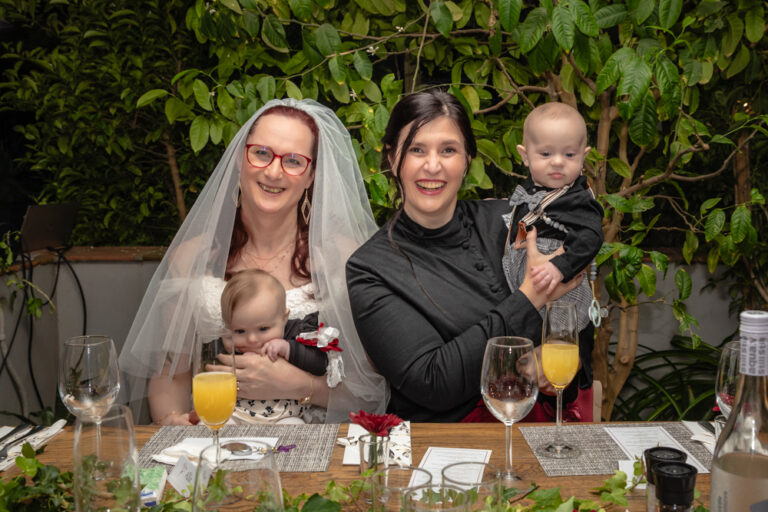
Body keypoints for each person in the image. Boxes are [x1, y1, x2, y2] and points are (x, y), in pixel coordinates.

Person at [119, 98, 388, 425]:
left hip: (312, 446)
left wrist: (299, 385)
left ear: (311, 176)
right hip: (215, 436)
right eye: (262, 153)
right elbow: (171, 376)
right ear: (239, 159)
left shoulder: (343, 259)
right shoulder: (192, 257)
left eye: (293, 161)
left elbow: (369, 393)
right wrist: (172, 423)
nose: (274, 172)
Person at [346, 90, 591, 422]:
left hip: (537, 435)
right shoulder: (371, 268)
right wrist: (530, 296)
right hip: (441, 447)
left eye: (448, 150)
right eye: (417, 150)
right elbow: (432, 382)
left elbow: (576, 307)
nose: (433, 166)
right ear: (392, 159)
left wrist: (565, 356)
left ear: (467, 161)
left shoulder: (512, 222)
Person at [502, 102, 604, 332]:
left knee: (558, 335)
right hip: (524, 277)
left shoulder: (577, 199)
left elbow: (591, 236)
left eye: (569, 154)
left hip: (559, 285)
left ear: (583, 155)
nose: (558, 161)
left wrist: (559, 266)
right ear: (525, 156)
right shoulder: (533, 189)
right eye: (546, 153)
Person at [221, 269, 337, 424]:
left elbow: (320, 364)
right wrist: (227, 348)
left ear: (284, 319)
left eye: (263, 329)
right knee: (213, 425)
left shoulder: (297, 333)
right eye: (240, 331)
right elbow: (215, 372)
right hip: (237, 413)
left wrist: (289, 349)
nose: (252, 339)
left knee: (295, 426)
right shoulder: (231, 344)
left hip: (284, 415)